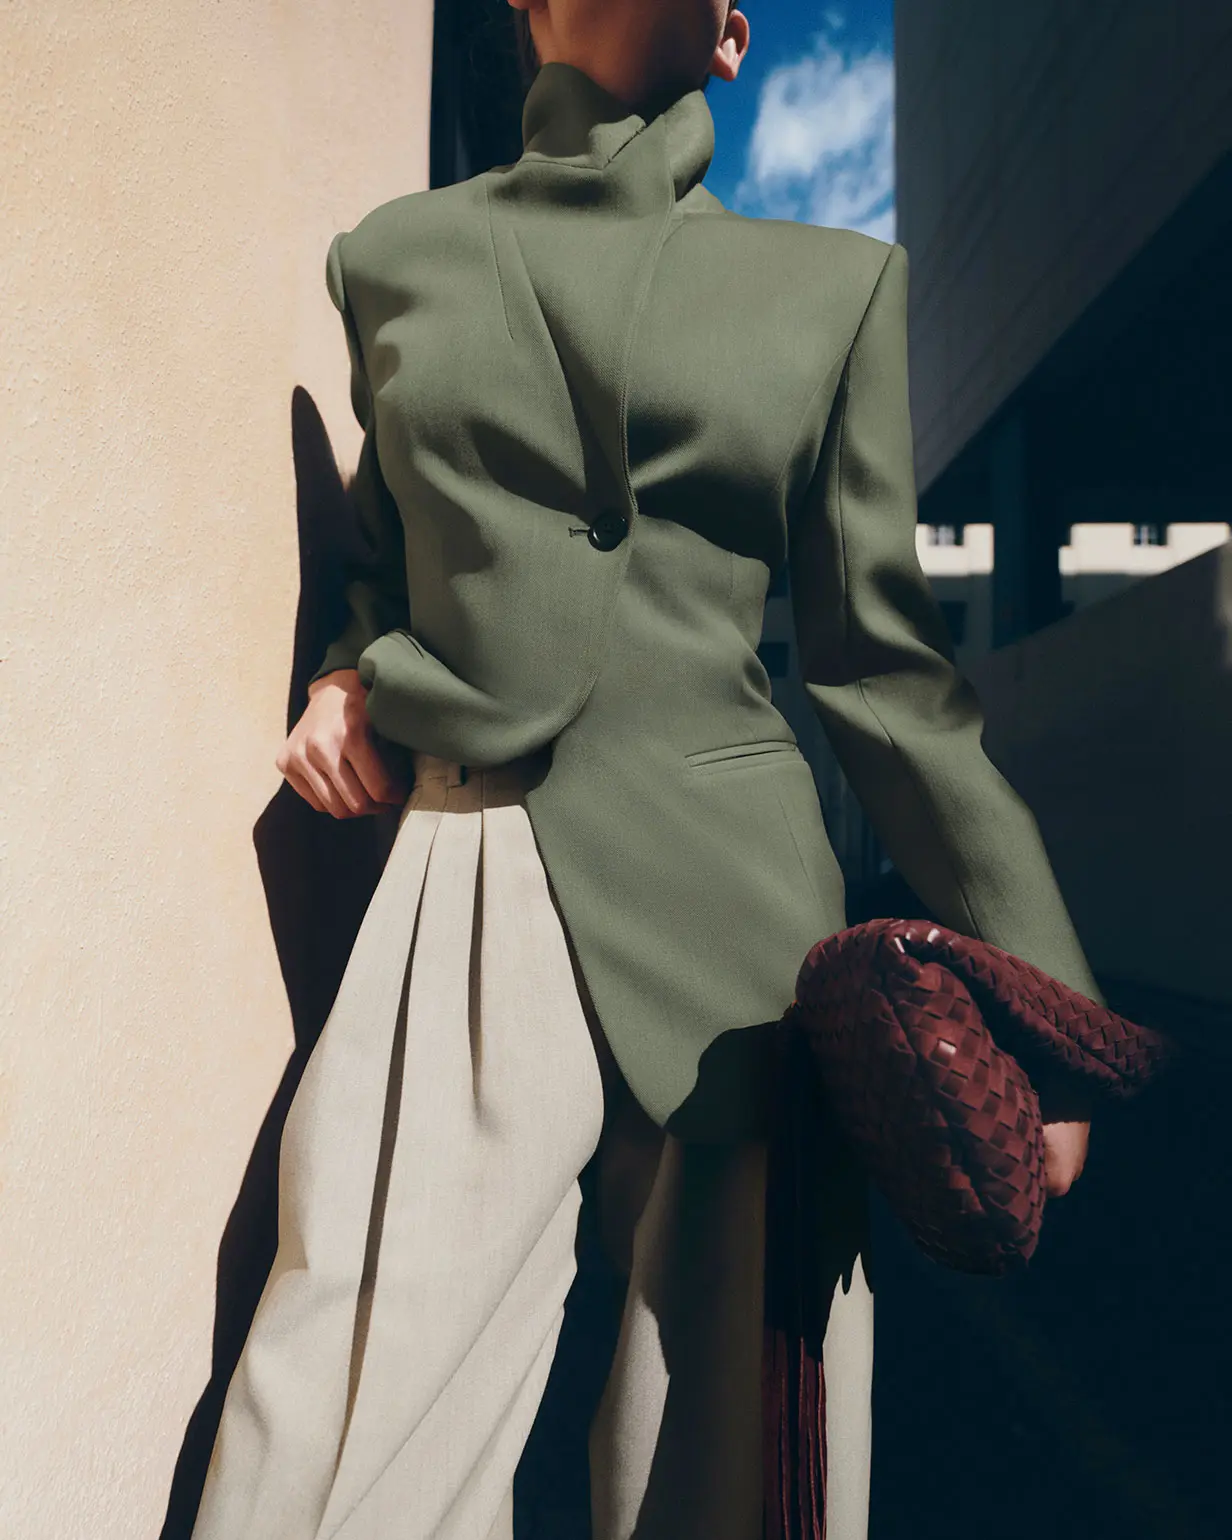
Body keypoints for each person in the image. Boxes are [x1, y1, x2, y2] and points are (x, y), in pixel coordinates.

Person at [189, 3, 1098, 1537]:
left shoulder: (833, 292)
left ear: (736, 35)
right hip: (466, 873)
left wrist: (1044, 1000)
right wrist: (345, 668)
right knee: (332, 1445)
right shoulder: (392, 259)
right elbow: (385, 556)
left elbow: (882, 673)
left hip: (748, 954)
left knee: (739, 1474)